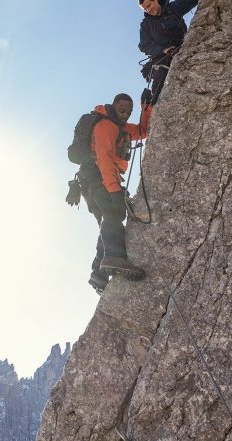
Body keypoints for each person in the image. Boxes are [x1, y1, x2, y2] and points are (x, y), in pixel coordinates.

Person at [80, 93, 153, 293]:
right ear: (113, 106)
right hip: (98, 180)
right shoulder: (105, 126)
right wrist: (114, 192)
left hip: (98, 182)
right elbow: (104, 159)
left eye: (129, 112)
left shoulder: (121, 128)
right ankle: (113, 257)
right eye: (122, 111)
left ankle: (99, 274)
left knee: (109, 220)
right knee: (113, 213)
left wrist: (145, 109)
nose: (125, 116)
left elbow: (142, 131)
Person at [137, 0, 198, 105]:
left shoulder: (172, 8)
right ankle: (153, 107)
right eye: (145, 8)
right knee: (158, 84)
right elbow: (144, 46)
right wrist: (163, 50)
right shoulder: (146, 25)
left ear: (155, 0)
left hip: (183, 48)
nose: (148, 9)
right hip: (162, 57)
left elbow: (190, 1)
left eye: (149, 5)